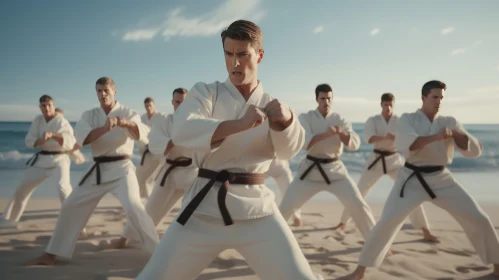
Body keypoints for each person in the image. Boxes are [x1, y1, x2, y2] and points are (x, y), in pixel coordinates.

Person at [135, 20, 323, 280]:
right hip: (202, 209)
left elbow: (289, 151)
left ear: (260, 55)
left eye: (242, 54)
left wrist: (286, 122)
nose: (234, 63)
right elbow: (182, 129)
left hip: (257, 211)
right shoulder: (205, 92)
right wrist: (239, 124)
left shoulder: (272, 105)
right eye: (228, 54)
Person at [348, 80, 499, 279]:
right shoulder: (408, 119)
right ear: (423, 98)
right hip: (411, 178)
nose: (439, 101)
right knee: (387, 222)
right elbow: (407, 144)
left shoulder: (449, 121)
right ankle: (360, 271)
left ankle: (497, 266)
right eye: (435, 97)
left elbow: (473, 149)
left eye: (441, 98)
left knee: (479, 218)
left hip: (442, 178)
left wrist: (456, 134)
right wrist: (437, 137)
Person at [25, 77, 159, 266]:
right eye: (99, 91)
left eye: (106, 90)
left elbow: (143, 137)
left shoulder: (129, 112)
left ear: (114, 91)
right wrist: (104, 128)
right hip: (97, 169)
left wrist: (127, 124)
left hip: (122, 168)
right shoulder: (89, 115)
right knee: (70, 205)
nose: (102, 94)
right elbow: (84, 139)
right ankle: (52, 253)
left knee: (134, 207)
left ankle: (159, 252)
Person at [334, 93, 439, 242]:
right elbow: (369, 138)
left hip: (394, 160)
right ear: (381, 104)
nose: (388, 107)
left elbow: (410, 138)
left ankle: (425, 230)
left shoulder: (400, 120)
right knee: (359, 191)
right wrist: (386, 138)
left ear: (393, 105)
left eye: (390, 105)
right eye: (385, 104)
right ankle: (343, 222)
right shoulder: (373, 120)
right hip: (376, 160)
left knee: (411, 190)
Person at [278, 83, 377, 240]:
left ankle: (376, 244)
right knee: (285, 207)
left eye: (329, 98)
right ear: (317, 99)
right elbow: (304, 143)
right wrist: (326, 134)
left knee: (359, 205)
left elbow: (354, 144)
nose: (326, 102)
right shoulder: (306, 118)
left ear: (332, 99)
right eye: (322, 98)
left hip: (335, 170)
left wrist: (342, 134)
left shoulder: (340, 119)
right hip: (310, 170)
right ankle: (268, 241)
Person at [113, 87, 196, 249]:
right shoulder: (164, 121)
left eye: (184, 102)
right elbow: (154, 142)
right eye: (177, 102)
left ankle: (194, 246)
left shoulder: (198, 122)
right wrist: (175, 140)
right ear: (172, 103)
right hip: (170, 173)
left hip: (193, 173)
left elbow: (209, 143)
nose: (181, 105)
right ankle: (125, 237)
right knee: (149, 209)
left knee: (200, 211)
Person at [0, 96, 79, 229]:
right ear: (40, 107)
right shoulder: (38, 120)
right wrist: (40, 140)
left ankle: (77, 224)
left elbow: (70, 143)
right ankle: (10, 220)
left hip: (59, 160)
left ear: (53, 106)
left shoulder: (62, 122)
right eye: (43, 106)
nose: (46, 108)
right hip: (41, 160)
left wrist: (54, 135)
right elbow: (30, 140)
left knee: (63, 188)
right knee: (22, 190)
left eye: (49, 105)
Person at [136, 97, 162, 198]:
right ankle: (145, 200)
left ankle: (149, 201)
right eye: (146, 106)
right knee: (140, 177)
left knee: (150, 179)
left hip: (157, 153)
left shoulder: (160, 118)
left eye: (150, 106)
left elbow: (163, 134)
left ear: (154, 105)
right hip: (145, 152)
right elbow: (139, 135)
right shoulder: (142, 118)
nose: (148, 108)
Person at [265, 158, 302, 226]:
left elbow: (289, 151)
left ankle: (296, 217)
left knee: (290, 192)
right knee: (250, 190)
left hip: (280, 165)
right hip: (260, 164)